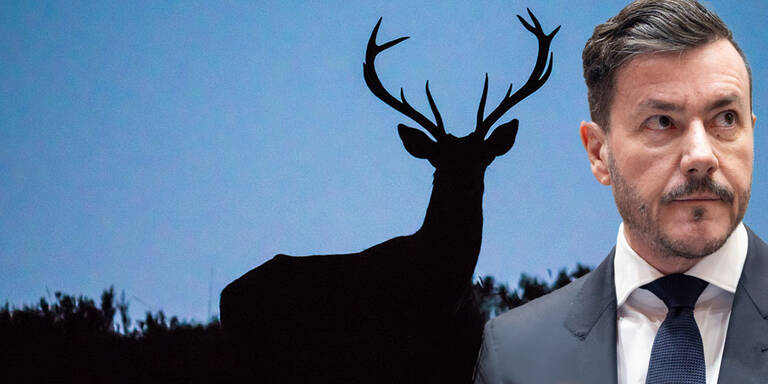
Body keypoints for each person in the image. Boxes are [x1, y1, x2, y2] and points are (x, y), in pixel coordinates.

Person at [473, 0, 766, 383]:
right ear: (598, 152)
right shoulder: (515, 354)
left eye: (726, 119)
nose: (701, 155)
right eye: (662, 122)